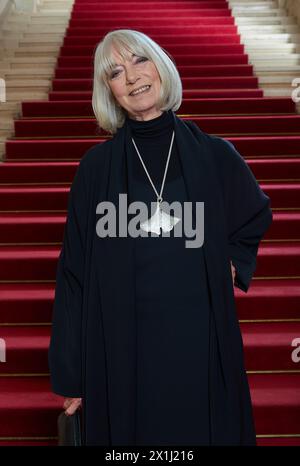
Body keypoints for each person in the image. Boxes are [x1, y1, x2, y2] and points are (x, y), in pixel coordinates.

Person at [48, 29, 273, 446]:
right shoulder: (94, 170)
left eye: (139, 61)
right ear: (109, 91)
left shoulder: (214, 154)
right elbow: (73, 273)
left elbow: (255, 214)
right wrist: (72, 374)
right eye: (115, 72)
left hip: (198, 339)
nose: (132, 77)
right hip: (120, 343)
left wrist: (231, 264)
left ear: (160, 66)